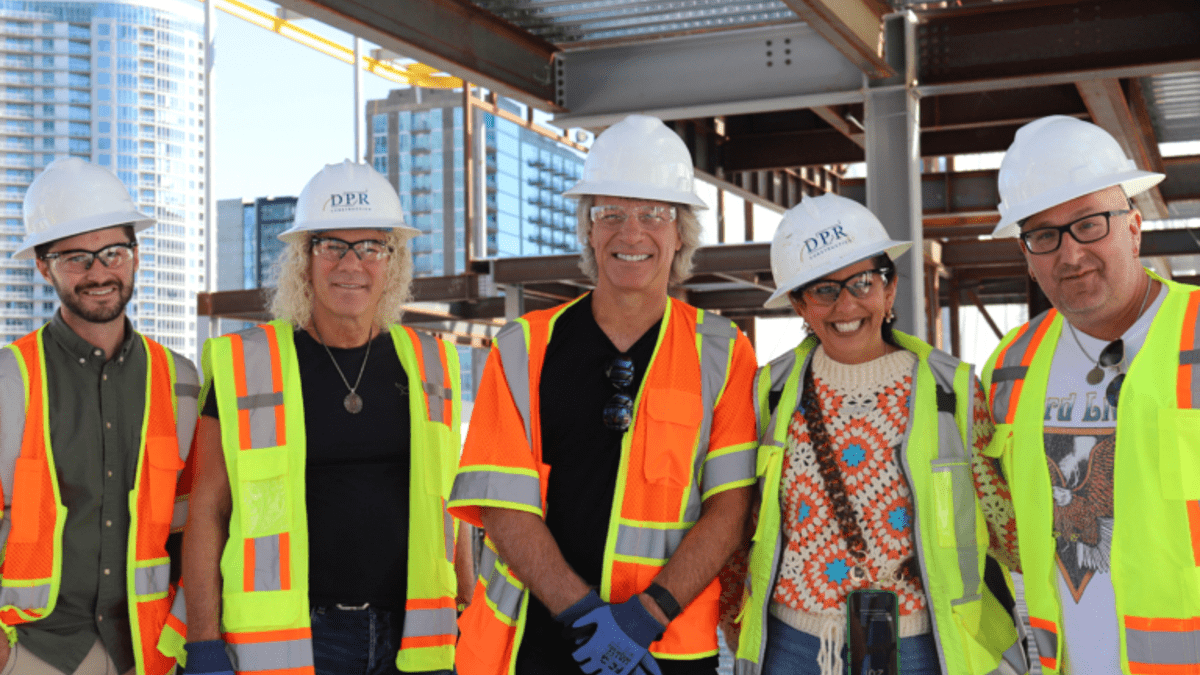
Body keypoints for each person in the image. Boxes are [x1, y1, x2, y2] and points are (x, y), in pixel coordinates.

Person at [447, 114, 759, 675]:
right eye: (609, 214)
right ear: (587, 230)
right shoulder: (522, 349)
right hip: (538, 642)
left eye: (653, 215)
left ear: (680, 231)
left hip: (667, 647)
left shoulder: (723, 352)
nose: (630, 233)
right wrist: (589, 618)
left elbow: (730, 507)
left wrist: (644, 618)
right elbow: (503, 507)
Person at [173, 161, 463, 675]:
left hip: (416, 637)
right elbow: (207, 511)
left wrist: (464, 612)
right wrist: (202, 641)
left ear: (392, 263)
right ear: (304, 260)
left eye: (371, 247)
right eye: (332, 246)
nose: (352, 264)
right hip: (294, 638)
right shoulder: (247, 365)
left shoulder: (433, 363)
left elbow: (451, 509)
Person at [731, 194, 1026, 675]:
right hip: (792, 647)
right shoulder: (770, 391)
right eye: (823, 289)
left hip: (921, 647)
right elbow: (742, 523)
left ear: (888, 291)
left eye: (863, 282)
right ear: (799, 305)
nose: (846, 304)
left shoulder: (952, 390)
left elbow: (1007, 527)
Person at [981, 115, 1200, 674]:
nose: (1070, 254)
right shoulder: (1010, 366)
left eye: (1089, 223)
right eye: (1044, 235)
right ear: (1026, 256)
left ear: (1133, 224)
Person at [0, 157, 198, 675]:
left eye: (113, 252)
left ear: (136, 254)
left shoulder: (180, 380)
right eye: (75, 258)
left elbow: (193, 521)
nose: (99, 273)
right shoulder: (8, 380)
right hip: (33, 648)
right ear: (43, 266)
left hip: (146, 648)